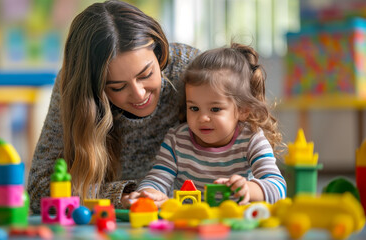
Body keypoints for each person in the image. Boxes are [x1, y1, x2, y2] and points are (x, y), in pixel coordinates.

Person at [26, 0, 200, 213]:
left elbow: (246, 150)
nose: (139, 94)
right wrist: (125, 196)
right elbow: (38, 190)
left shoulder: (191, 68)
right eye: (117, 87)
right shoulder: (74, 89)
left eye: (146, 75)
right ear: (94, 88)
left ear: (159, 51)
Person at [122, 43, 287, 208]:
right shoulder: (177, 139)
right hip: (188, 222)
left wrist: (249, 189)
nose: (202, 118)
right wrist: (148, 193)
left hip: (232, 223)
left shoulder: (251, 138)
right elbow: (158, 178)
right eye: (194, 108)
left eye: (215, 109)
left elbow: (278, 187)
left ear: (243, 110)